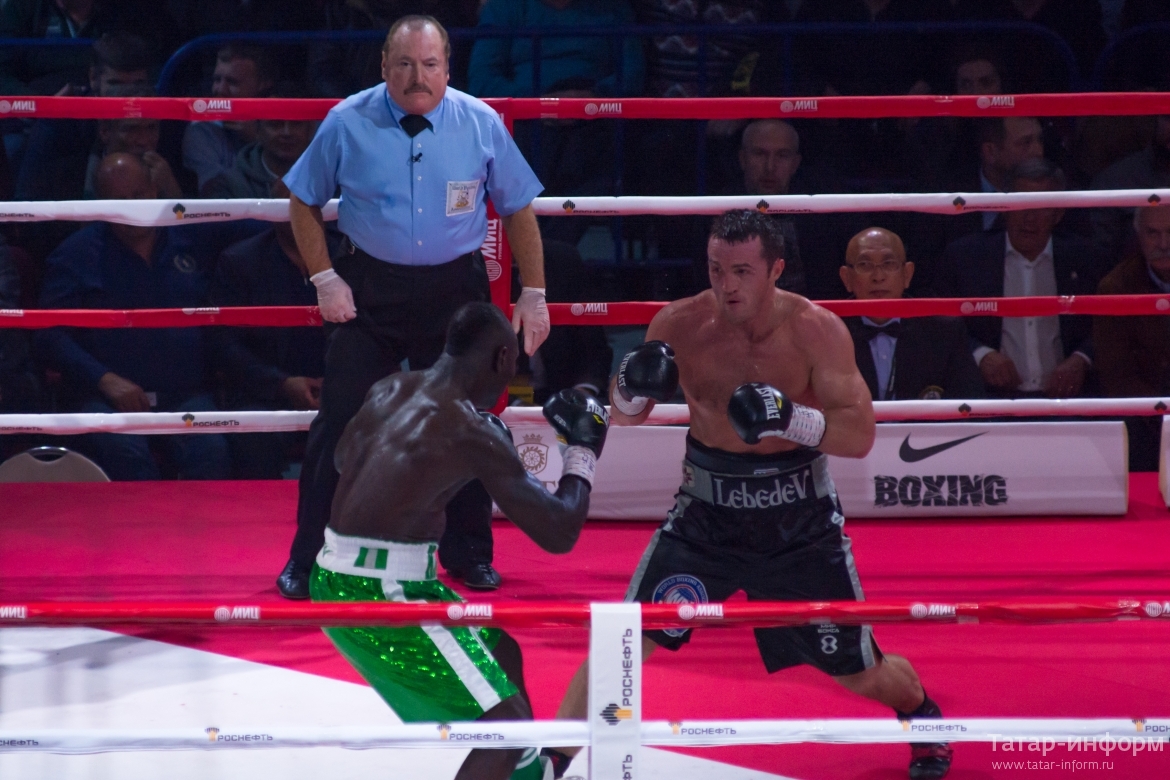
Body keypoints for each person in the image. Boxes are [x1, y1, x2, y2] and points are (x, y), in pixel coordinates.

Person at [543, 210, 952, 780]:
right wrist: (630, 387)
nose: (726, 284)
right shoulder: (679, 324)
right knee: (626, 639)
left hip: (799, 525)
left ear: (775, 269)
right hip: (704, 518)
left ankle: (923, 714)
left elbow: (859, 436)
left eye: (741, 271)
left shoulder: (816, 330)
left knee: (858, 672)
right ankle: (552, 760)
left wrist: (790, 418)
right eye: (716, 269)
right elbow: (628, 413)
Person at [277, 14, 551, 598]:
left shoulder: (480, 122)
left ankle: (469, 553)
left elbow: (518, 206)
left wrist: (535, 291)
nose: (417, 77)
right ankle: (307, 556)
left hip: (454, 292)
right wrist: (324, 278)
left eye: (429, 64)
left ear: (448, 68)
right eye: (404, 64)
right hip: (369, 291)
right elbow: (302, 200)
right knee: (339, 419)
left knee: (467, 420)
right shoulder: (346, 120)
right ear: (384, 66)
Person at [313, 301, 608, 780]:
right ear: (501, 358)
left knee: (501, 652)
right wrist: (583, 450)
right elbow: (559, 532)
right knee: (506, 728)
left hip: (334, 570)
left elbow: (344, 460)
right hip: (380, 591)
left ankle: (533, 776)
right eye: (514, 365)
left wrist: (425, 481)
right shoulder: (470, 430)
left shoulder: (389, 388)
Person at [35, 153, 231, 480]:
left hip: (185, 394)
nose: (131, 208)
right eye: (119, 200)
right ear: (100, 204)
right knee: (124, 454)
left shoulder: (192, 238)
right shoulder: (75, 255)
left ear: (154, 190)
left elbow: (255, 224)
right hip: (105, 399)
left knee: (212, 450)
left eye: (138, 195)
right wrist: (104, 379)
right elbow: (48, 334)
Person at [935, 159, 1106, 399]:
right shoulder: (965, 258)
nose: (1029, 218)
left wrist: (1082, 358)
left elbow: (1109, 323)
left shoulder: (1087, 258)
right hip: (990, 400)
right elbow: (939, 321)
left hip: (1068, 401)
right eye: (1021, 204)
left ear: (1058, 213)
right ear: (1004, 207)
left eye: (1041, 207)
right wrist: (981, 355)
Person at [208, 179, 334, 479]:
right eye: (292, 207)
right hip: (264, 393)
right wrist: (282, 383)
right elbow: (224, 345)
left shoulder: (346, 256)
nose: (301, 214)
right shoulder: (241, 262)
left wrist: (339, 380)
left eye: (309, 206)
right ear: (274, 212)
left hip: (337, 386)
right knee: (254, 437)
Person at [840, 228, 984, 401]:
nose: (878, 277)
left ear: (907, 274)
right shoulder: (827, 331)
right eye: (864, 265)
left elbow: (970, 402)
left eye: (889, 263)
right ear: (846, 278)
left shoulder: (943, 330)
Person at [1094, 206, 1170, 471]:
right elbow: (1117, 375)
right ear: (1139, 235)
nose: (1164, 244)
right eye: (1153, 233)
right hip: (1145, 420)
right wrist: (1163, 416)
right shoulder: (1116, 288)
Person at [181, 44, 276, 193]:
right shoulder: (201, 129)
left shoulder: (284, 121)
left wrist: (257, 139)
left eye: (232, 82)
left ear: (262, 84)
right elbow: (215, 193)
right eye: (217, 80)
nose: (220, 90)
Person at [201, 84, 317, 199]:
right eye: (275, 124)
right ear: (257, 129)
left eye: (296, 123)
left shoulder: (326, 176)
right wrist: (275, 203)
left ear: (311, 128)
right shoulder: (227, 186)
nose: (287, 132)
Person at [1090, 115, 1170, 262]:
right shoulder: (1115, 182)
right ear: (1155, 120)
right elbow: (1102, 259)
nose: (1164, 244)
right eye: (1169, 118)